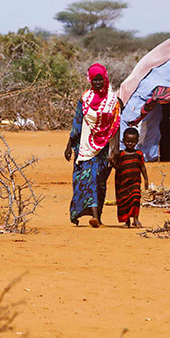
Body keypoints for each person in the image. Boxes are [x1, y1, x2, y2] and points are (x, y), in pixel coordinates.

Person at [65, 63, 120, 227]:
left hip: (104, 149)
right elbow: (77, 122)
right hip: (85, 147)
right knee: (84, 180)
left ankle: (98, 215)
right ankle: (83, 214)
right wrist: (69, 145)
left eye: (100, 80)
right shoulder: (84, 99)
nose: (97, 83)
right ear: (90, 81)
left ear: (105, 79)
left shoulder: (112, 101)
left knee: (100, 182)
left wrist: (115, 150)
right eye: (94, 80)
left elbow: (116, 125)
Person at [112, 126, 149, 227]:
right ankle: (127, 221)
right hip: (123, 184)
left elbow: (143, 167)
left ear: (137, 141)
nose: (130, 144)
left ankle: (136, 219)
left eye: (133, 142)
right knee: (125, 202)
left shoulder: (139, 154)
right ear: (123, 141)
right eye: (128, 141)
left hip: (135, 183)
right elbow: (118, 168)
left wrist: (146, 180)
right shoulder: (121, 154)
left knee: (136, 199)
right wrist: (111, 163)